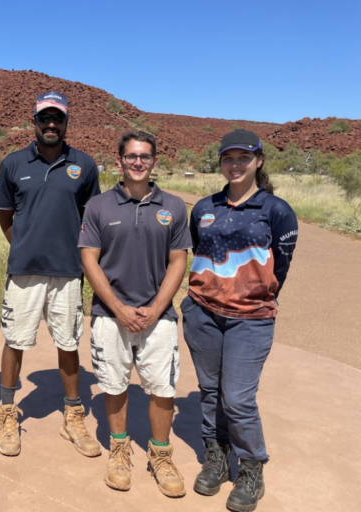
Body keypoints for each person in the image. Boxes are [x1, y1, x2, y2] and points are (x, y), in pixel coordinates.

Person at [181, 129, 298, 512]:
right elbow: (199, 252)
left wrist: (250, 296)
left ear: (258, 161)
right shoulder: (204, 207)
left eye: (243, 158)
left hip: (251, 319)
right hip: (203, 313)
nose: (235, 164)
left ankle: (251, 468)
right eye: (228, 158)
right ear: (220, 162)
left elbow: (279, 267)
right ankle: (216, 456)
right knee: (210, 391)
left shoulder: (276, 210)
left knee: (239, 399)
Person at [79, 131, 192, 497]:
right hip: (111, 315)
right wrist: (119, 309)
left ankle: (160, 455)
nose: (138, 162)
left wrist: (157, 308)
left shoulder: (174, 207)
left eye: (145, 157)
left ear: (155, 161)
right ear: (120, 162)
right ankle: (119, 448)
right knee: (113, 383)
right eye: (131, 157)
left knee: (163, 387)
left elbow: (178, 261)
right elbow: (89, 260)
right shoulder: (98, 206)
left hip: (157, 317)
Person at [0, 91, 101, 458]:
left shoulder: (84, 166)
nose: (51, 125)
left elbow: (92, 220)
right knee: (15, 340)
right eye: (45, 118)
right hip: (25, 270)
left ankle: (73, 414)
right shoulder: (13, 163)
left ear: (66, 122)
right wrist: (25, 245)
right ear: (35, 122)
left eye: (58, 119)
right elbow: (6, 218)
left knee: (68, 343)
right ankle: (7, 411)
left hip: (68, 271)